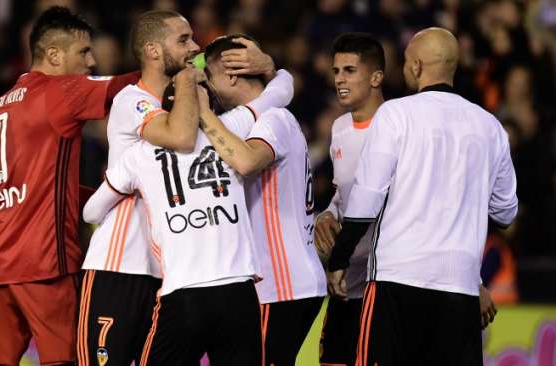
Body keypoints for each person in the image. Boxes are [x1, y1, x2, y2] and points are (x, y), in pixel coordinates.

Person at [78, 10, 291, 366]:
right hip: (120, 266)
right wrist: (194, 84)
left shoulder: (202, 125)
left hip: (171, 276)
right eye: (183, 40)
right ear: (153, 50)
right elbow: (179, 135)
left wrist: (269, 65)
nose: (195, 47)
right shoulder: (132, 100)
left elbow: (273, 97)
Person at [326, 27, 518, 365]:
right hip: (458, 288)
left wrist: (339, 259)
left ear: (415, 65)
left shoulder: (396, 115)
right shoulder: (490, 128)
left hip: (395, 282)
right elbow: (505, 212)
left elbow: (365, 201)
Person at [0, 7, 142, 366]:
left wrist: (104, 199)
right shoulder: (59, 91)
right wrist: (187, 64)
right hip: (42, 264)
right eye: (84, 52)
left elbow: (36, 184)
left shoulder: (3, 104)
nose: (92, 62)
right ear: (55, 55)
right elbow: (130, 88)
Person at [82, 85, 268, 365]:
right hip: (238, 289)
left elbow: (90, 212)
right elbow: (280, 90)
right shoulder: (231, 131)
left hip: (183, 294)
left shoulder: (138, 155)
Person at [197, 34, 327, 366]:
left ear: (229, 76)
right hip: (284, 284)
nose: (207, 92)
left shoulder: (274, 120)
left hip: (278, 285)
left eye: (208, 81)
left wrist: (202, 115)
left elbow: (246, 162)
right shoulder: (268, 117)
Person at [313, 32, 385, 366]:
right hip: (343, 283)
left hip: (382, 284)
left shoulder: (397, 127)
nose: (340, 79)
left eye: (349, 70)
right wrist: (327, 214)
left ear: (376, 77)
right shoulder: (340, 127)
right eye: (336, 70)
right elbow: (343, 196)